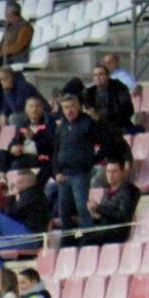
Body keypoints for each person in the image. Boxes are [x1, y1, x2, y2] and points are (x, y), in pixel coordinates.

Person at [52, 93, 98, 235]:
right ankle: (67, 241)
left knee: (82, 207)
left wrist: (89, 162)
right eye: (66, 107)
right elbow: (55, 152)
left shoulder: (88, 123)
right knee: (63, 210)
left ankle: (89, 238)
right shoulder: (61, 127)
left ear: (79, 107)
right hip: (63, 175)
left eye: (72, 106)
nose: (69, 110)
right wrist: (56, 172)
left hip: (80, 173)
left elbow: (102, 143)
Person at [78, 159, 141, 247]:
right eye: (108, 172)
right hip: (104, 227)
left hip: (116, 230)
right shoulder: (108, 192)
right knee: (76, 236)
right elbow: (104, 214)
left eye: (114, 172)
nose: (110, 175)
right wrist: (92, 215)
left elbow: (123, 216)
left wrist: (98, 208)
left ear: (122, 172)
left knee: (87, 240)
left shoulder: (129, 191)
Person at [83, 62, 137, 134]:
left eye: (101, 74)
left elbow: (128, 109)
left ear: (108, 76)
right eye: (95, 75)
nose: (98, 77)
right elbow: (89, 111)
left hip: (119, 126)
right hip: (99, 129)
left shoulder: (119, 87)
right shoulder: (89, 92)